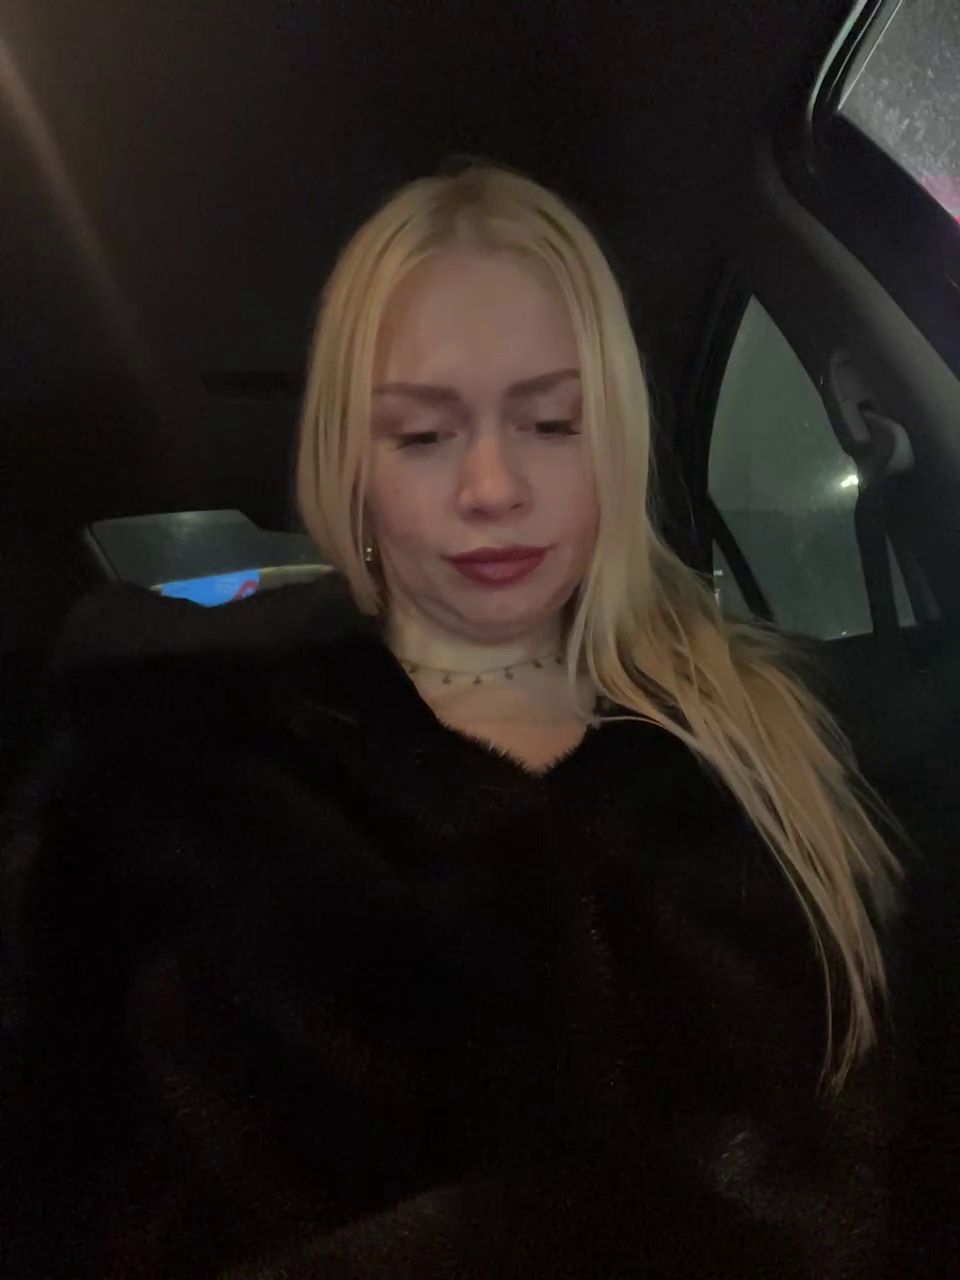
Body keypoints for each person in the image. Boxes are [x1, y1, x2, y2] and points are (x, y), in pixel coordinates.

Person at [1, 162, 905, 1279]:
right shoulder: (161, 783)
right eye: (424, 434)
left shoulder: (783, 739)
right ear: (355, 467)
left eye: (550, 420)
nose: (491, 484)